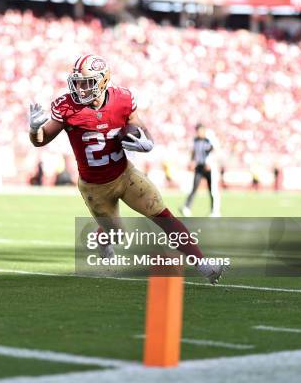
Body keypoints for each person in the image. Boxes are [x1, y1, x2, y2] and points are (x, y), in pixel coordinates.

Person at [28, 54, 226, 284]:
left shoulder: (122, 99)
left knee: (162, 214)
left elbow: (140, 127)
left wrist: (147, 141)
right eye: (78, 82)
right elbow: (41, 141)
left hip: (125, 174)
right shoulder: (67, 107)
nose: (81, 89)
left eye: (87, 82)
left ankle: (203, 265)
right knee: (115, 233)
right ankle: (103, 239)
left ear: (102, 81)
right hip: (94, 186)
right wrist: (34, 129)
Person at [179, 124, 221, 217]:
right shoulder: (196, 140)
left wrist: (211, 163)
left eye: (200, 131)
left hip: (210, 168)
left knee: (212, 190)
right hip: (199, 166)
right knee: (194, 187)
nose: (199, 133)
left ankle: (215, 211)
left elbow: (215, 152)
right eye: (197, 131)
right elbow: (194, 152)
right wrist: (192, 161)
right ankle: (186, 207)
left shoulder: (210, 140)